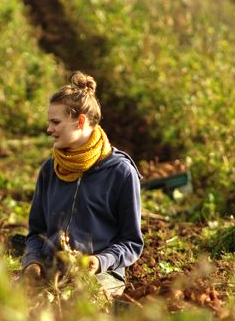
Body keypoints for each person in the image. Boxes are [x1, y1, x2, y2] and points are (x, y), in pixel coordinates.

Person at [21, 72, 143, 299]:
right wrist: (33, 262)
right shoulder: (50, 170)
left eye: (55, 122)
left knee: (79, 305)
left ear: (80, 121)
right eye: (49, 122)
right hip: (52, 271)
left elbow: (131, 242)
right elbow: (36, 233)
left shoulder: (120, 172)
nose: (49, 129)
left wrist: (99, 261)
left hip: (102, 274)